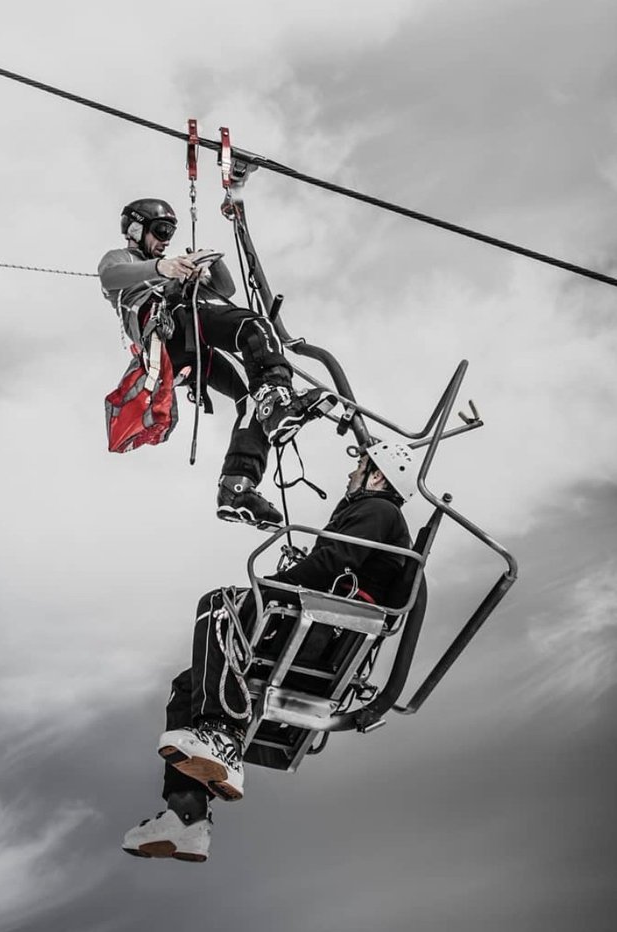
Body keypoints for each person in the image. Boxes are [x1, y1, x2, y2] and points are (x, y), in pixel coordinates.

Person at [121, 441, 416, 863]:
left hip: (323, 633)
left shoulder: (379, 511)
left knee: (218, 605)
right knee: (187, 686)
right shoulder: (373, 516)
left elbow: (333, 561)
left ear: (377, 475)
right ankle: (186, 817)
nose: (349, 476)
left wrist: (275, 585)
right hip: (320, 631)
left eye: (359, 467)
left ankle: (221, 734)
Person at [98, 198, 336, 530]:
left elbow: (225, 288)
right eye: (161, 230)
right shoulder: (124, 260)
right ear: (136, 229)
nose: (166, 240)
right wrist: (161, 269)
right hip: (170, 326)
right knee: (255, 328)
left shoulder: (173, 266)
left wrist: (212, 262)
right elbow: (110, 277)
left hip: (187, 348)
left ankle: (237, 487)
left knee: (251, 399)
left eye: (171, 232)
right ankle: (278, 401)